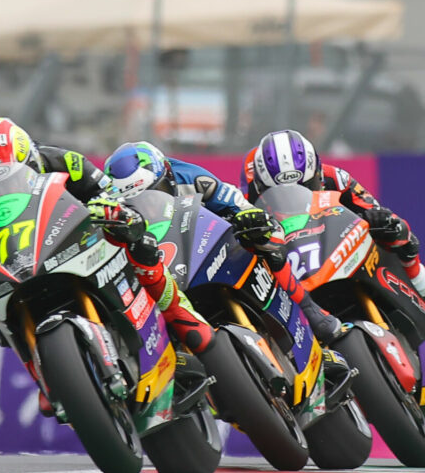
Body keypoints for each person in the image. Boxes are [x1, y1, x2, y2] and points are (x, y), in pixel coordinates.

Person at [0, 117, 215, 355]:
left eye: (10, 174)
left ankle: (179, 313)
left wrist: (114, 212)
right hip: (24, 265)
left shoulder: (65, 162)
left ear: (30, 157)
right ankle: (47, 378)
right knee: (0, 323)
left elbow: (110, 193)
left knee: (138, 241)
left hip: (83, 239)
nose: (4, 186)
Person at [102, 140, 344, 343]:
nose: (150, 205)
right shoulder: (109, 207)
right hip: (158, 263)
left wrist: (251, 220)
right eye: (135, 204)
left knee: (262, 235)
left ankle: (308, 308)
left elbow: (250, 212)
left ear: (167, 175)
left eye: (156, 192)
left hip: (207, 249)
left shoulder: (194, 178)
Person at [241, 129, 425, 336]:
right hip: (285, 257)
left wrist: (381, 221)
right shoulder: (247, 195)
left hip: (327, 245)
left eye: (305, 185)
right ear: (261, 186)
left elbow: (376, 210)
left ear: (317, 172)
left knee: (399, 234)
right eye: (278, 191)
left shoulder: (336, 178)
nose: (292, 195)